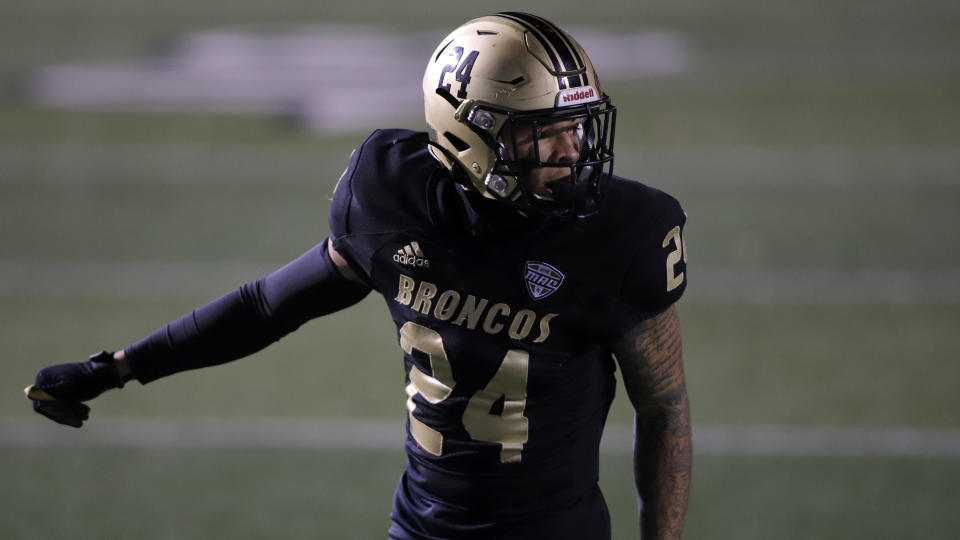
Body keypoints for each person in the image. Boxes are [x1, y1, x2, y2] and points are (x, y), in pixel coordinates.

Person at [26, 12, 691, 540]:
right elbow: (269, 305)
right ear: (471, 134)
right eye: (541, 133)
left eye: (578, 125)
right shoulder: (394, 198)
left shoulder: (621, 234)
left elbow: (663, 404)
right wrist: (116, 367)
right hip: (422, 530)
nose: (572, 152)